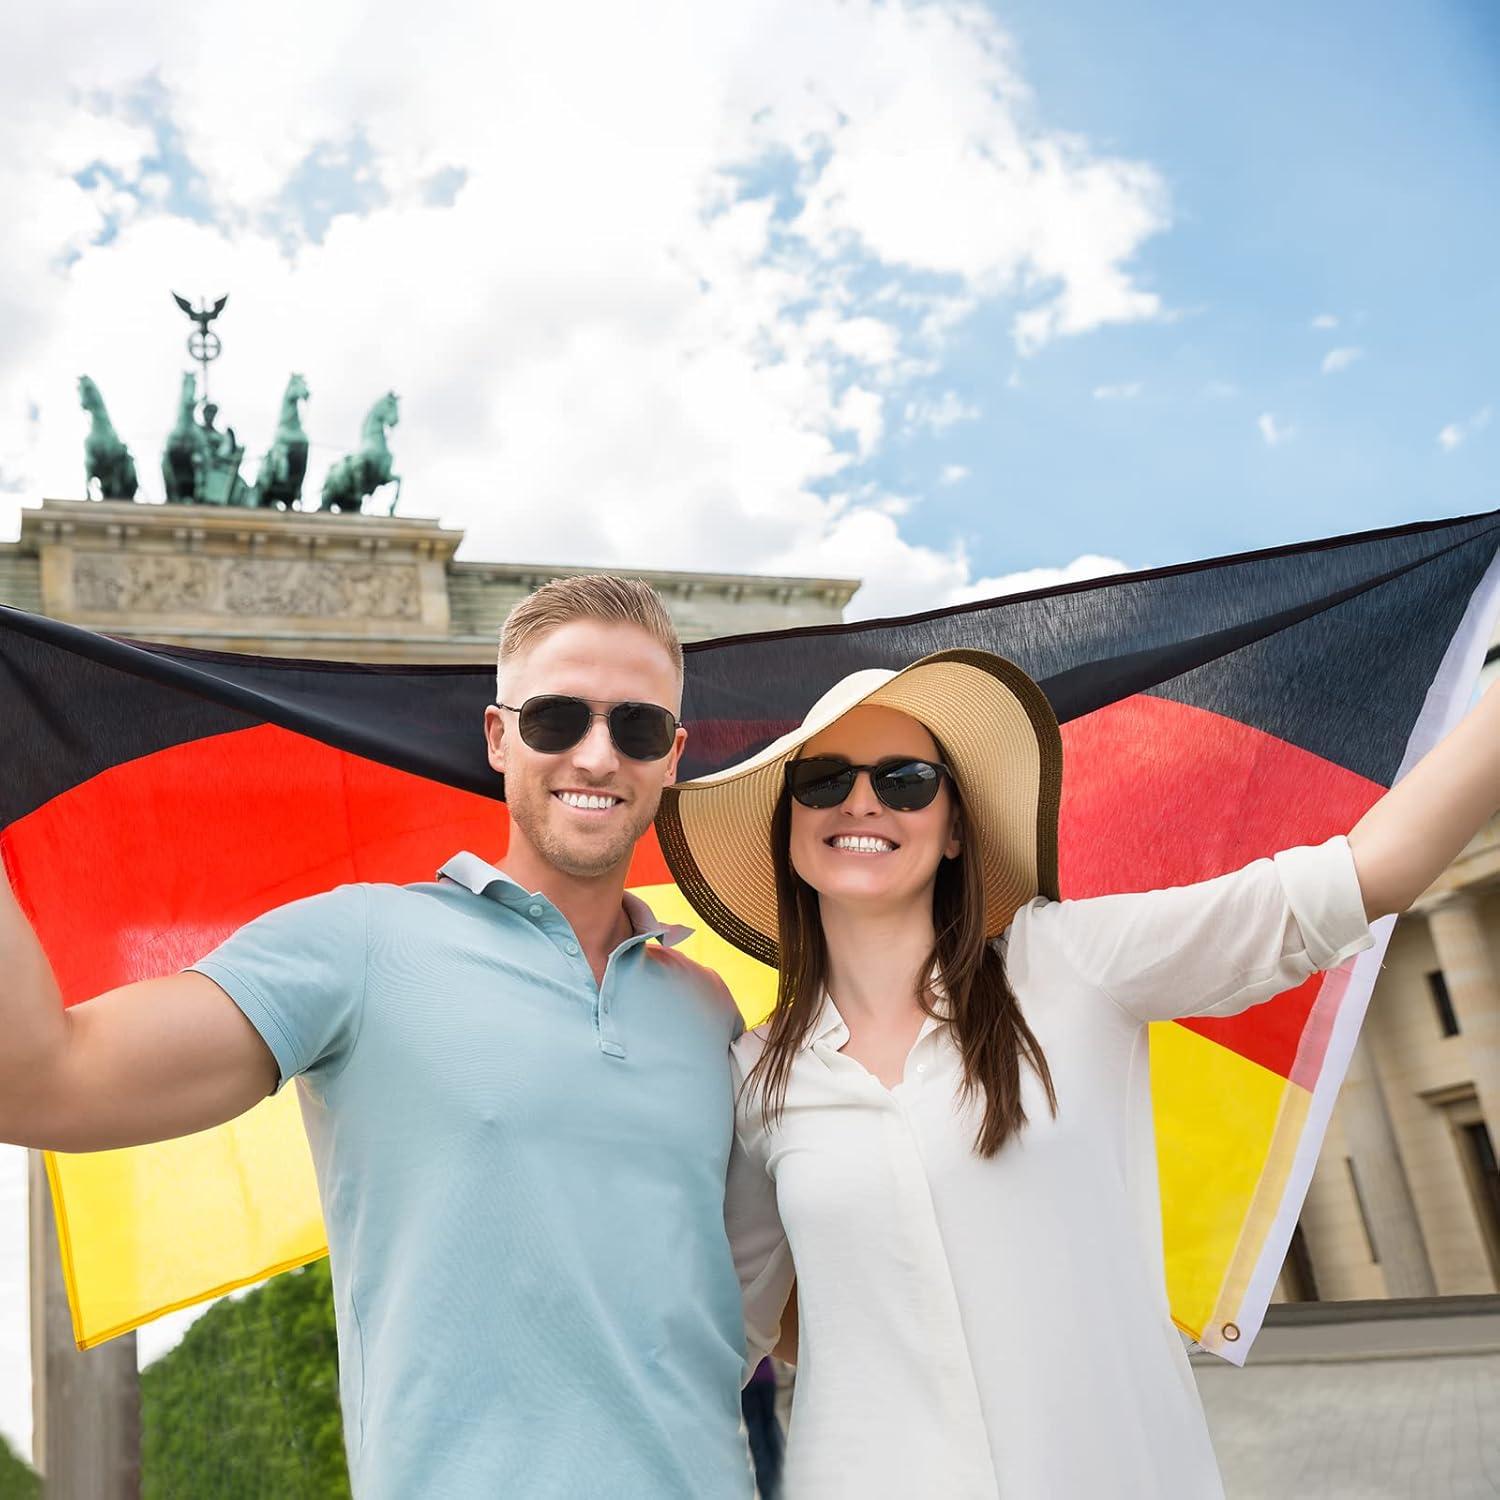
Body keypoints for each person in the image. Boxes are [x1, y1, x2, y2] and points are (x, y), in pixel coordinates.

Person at [657, 647, 1500, 1499]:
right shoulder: (754, 1073)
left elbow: (1364, 876)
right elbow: (726, 1332)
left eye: (908, 779)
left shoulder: (1073, 963)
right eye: (824, 780)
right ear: (790, 831)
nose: (863, 800)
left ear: (955, 829)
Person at [0, 576, 756, 1500]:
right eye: (558, 719)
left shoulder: (712, 1010)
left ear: (672, 755)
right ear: (498, 736)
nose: (598, 756)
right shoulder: (357, 942)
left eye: (636, 728)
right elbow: (42, 1082)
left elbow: (772, 1294)